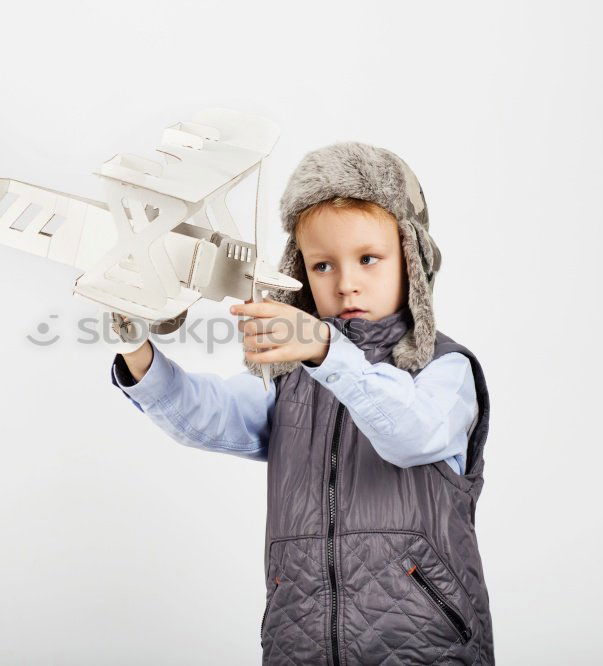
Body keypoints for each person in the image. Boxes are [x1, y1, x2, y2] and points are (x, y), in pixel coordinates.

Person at [109, 142, 493, 665]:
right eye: (322, 265)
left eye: (368, 259)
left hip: (425, 646)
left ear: (412, 258)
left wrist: (327, 351)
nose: (346, 282)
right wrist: (137, 350)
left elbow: (410, 433)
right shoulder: (293, 378)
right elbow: (209, 414)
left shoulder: (445, 370)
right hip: (300, 642)